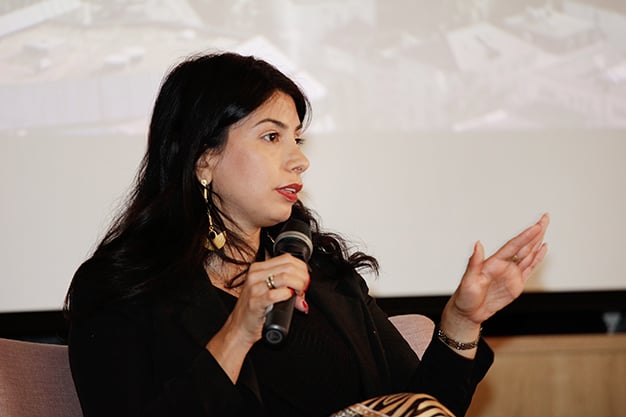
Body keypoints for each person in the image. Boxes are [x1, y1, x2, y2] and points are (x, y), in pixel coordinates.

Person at [64, 52, 549, 417]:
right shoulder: (122, 288)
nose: (299, 160)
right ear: (204, 157)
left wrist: (462, 319)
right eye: (272, 136)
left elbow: (419, 407)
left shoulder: (324, 275)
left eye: (297, 138)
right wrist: (238, 331)